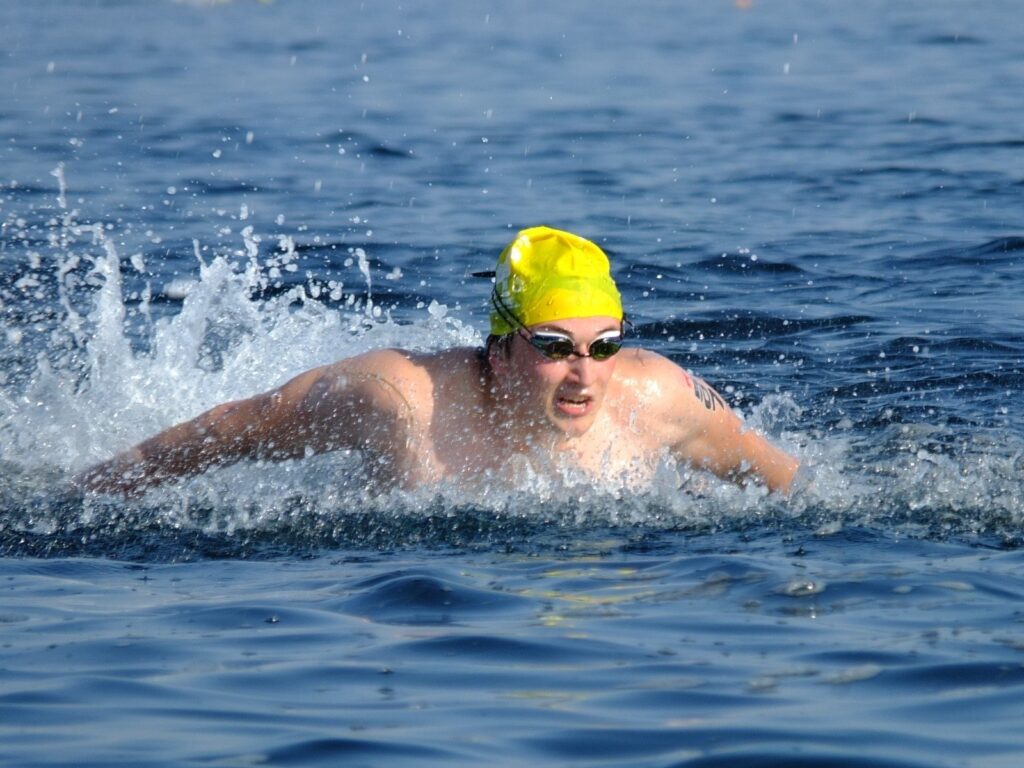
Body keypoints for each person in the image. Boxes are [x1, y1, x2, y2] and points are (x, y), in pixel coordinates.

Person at [77, 226, 799, 497]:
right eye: (554, 348)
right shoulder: (397, 398)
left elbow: (789, 487)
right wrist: (89, 494)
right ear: (501, 349)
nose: (585, 374)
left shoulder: (660, 398)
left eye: (602, 345)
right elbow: (237, 427)